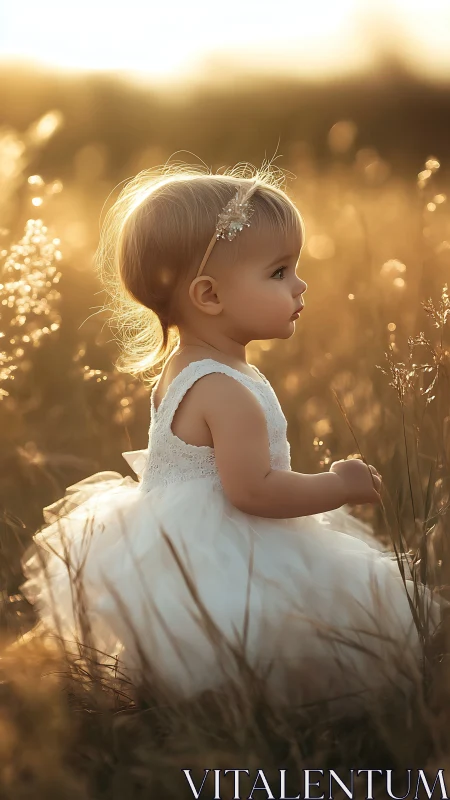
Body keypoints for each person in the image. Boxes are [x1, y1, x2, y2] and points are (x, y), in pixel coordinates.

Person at [19, 163, 443, 720]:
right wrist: (338, 485)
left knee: (196, 653)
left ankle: (192, 712)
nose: (301, 285)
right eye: (279, 272)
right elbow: (254, 493)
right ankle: (257, 719)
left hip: (174, 541)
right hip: (227, 546)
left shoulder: (187, 367)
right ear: (210, 295)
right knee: (269, 631)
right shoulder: (225, 390)